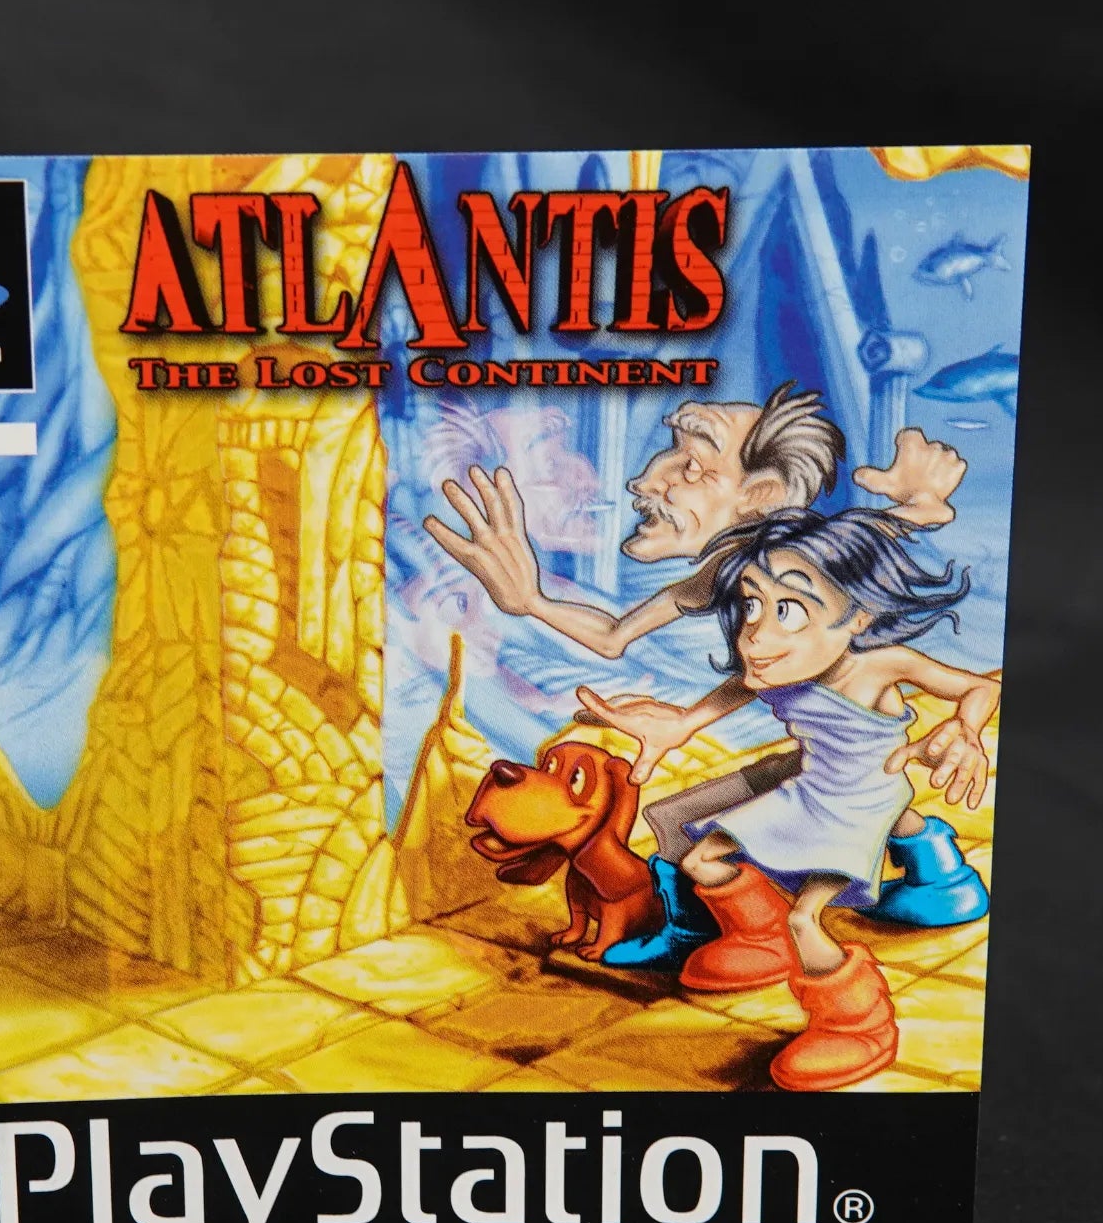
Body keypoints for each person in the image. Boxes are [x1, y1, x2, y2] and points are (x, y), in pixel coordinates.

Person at [423, 383, 989, 949]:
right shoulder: (735, 573)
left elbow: (865, 581)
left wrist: (964, 729)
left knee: (841, 807)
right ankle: (701, 927)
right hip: (815, 760)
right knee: (680, 817)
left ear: (759, 495)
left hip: (853, 771)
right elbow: (620, 638)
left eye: (691, 466)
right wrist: (532, 602)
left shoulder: (826, 583)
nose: (646, 482)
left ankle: (756, 930)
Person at [574, 507, 998, 1091]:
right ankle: (759, 938)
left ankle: (858, 1024)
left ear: (858, 616)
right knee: (702, 859)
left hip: (861, 800)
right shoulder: (782, 671)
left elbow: (979, 686)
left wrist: (966, 728)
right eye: (752, 604)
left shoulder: (881, 665)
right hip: (809, 789)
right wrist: (683, 723)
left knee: (806, 916)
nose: (754, 632)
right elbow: (736, 690)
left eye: (790, 610)